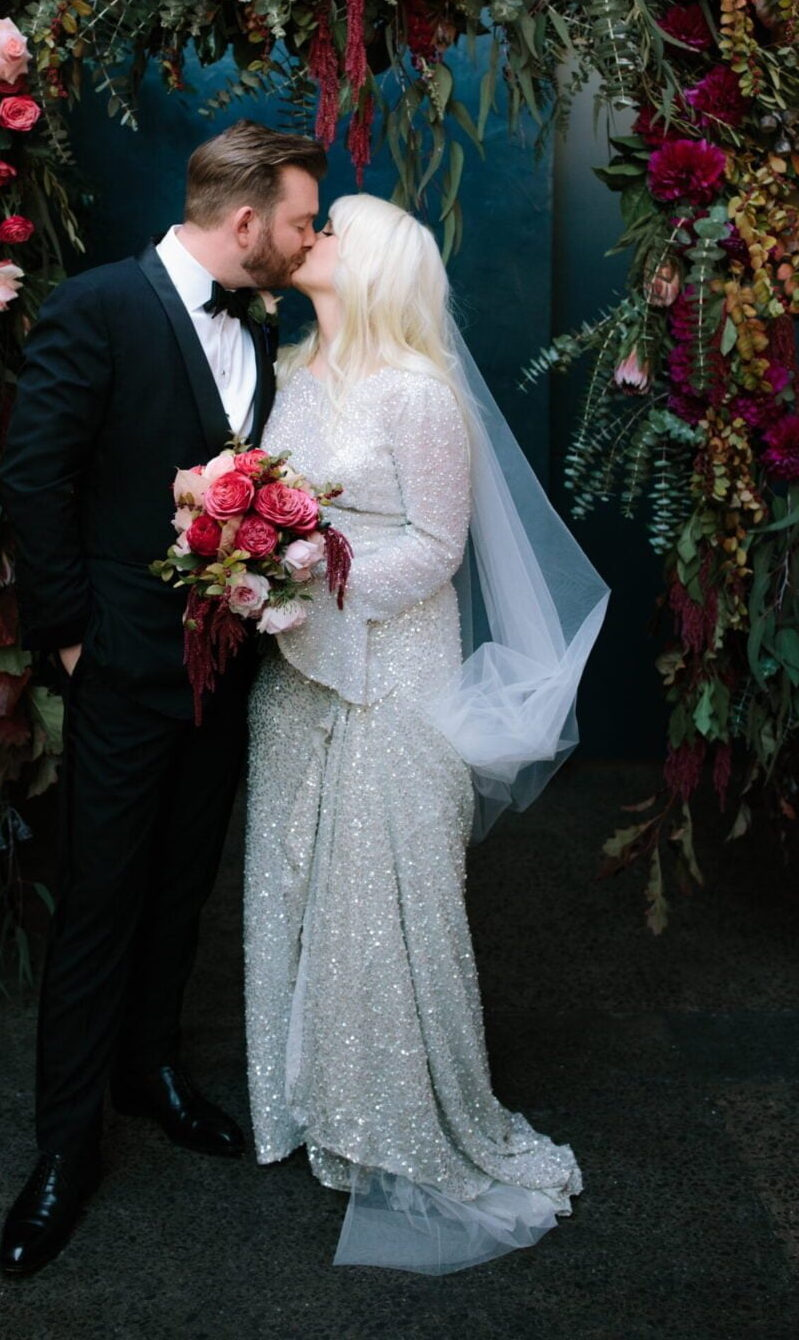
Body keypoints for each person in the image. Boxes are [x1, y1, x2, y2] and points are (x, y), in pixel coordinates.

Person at [244, 194, 610, 1274]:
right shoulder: (289, 373)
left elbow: (436, 548)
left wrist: (308, 574)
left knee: (389, 892)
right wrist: (250, 562)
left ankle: (403, 1114)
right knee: (291, 877)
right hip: (295, 675)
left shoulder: (419, 393)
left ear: (376, 267)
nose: (312, 237)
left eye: (333, 229)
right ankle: (305, 1102)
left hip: (393, 673)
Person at [0, 119, 327, 1277]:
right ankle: (62, 1147)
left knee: (183, 882)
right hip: (121, 669)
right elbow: (35, 476)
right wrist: (69, 643)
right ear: (245, 221)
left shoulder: (261, 323)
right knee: (100, 901)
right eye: (298, 222)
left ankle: (151, 1070)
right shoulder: (97, 308)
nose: (307, 240)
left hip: (226, 668)